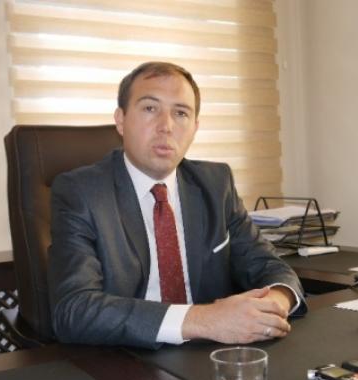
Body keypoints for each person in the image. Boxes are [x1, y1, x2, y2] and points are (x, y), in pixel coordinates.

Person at [47, 61, 307, 349]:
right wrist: (206, 320)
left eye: (181, 113)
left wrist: (273, 305)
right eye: (150, 108)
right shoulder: (82, 192)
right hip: (125, 357)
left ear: (195, 127)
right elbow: (74, 309)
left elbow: (269, 266)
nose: (166, 126)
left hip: (210, 354)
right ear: (120, 120)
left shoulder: (216, 184)